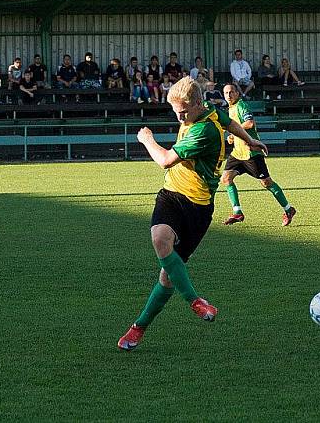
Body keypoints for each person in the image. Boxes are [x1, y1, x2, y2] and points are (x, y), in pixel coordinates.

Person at [117, 77, 268, 351]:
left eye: (184, 111)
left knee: (167, 276)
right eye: (175, 110)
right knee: (159, 238)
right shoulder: (208, 109)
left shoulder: (203, 132)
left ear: (197, 104)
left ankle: (138, 327)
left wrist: (147, 139)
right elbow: (229, 122)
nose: (179, 116)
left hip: (198, 207)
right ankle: (195, 301)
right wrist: (250, 139)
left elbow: (164, 160)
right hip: (172, 195)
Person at [221, 84, 297, 226]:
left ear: (237, 93)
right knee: (226, 178)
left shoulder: (242, 106)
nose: (229, 95)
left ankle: (288, 209)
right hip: (238, 153)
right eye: (226, 93)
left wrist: (234, 131)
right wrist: (233, 136)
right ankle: (237, 212)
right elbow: (238, 129)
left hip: (251, 153)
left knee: (266, 183)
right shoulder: (230, 109)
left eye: (231, 92)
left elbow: (249, 123)